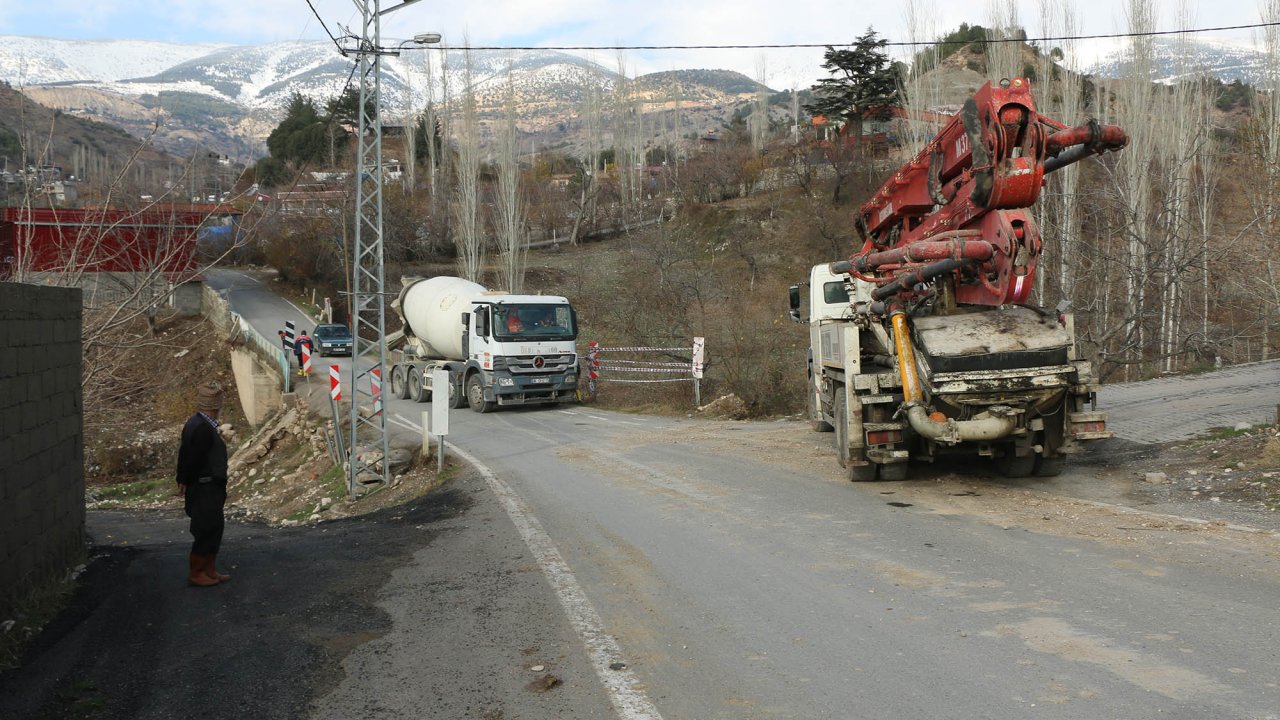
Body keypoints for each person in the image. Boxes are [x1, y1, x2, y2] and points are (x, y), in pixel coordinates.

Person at [176, 381, 231, 587]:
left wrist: (182, 479)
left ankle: (209, 570)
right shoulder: (202, 428)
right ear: (217, 404)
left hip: (208, 486)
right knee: (205, 529)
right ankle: (197, 572)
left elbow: (184, 454)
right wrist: (185, 479)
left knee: (215, 527)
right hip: (204, 487)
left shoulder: (198, 423)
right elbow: (192, 459)